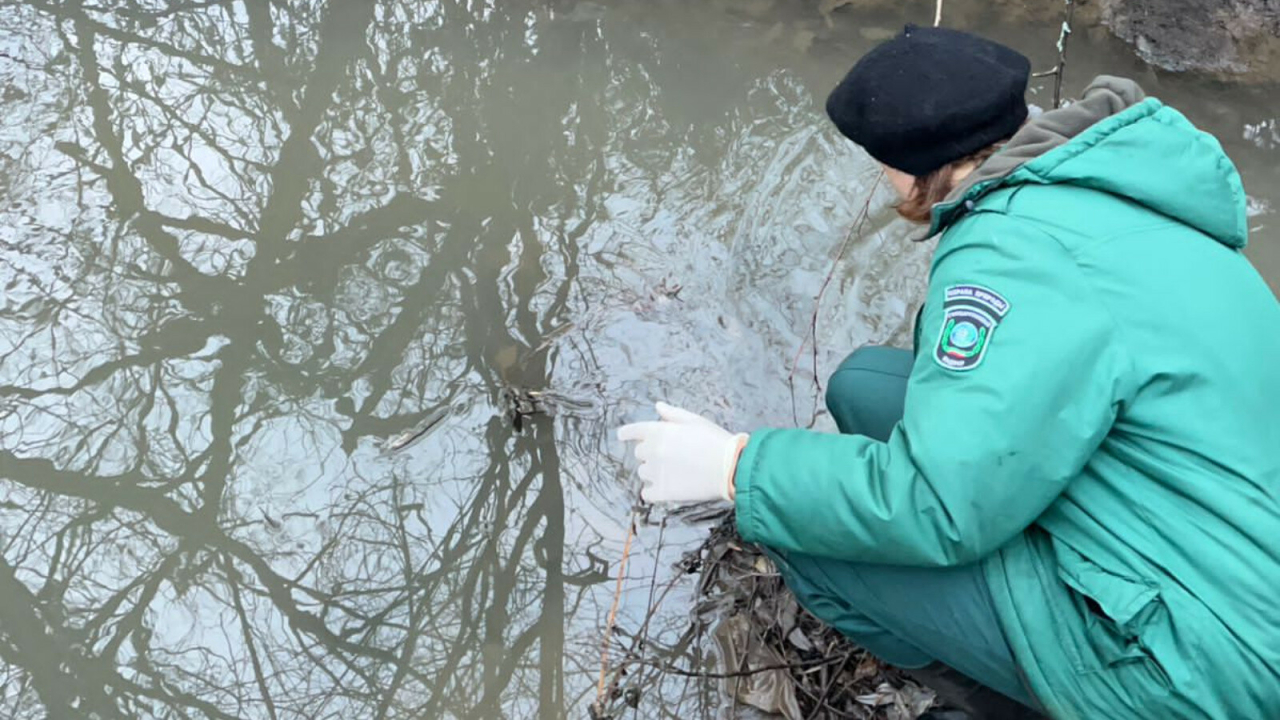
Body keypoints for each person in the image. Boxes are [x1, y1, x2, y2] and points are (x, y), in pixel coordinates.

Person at [617, 26, 1280, 720]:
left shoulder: (1007, 252)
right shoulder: (1113, 181)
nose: (884, 181)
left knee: (797, 537)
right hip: (1221, 549)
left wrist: (735, 467)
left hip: (1203, 665)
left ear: (922, 163)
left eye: (883, 165)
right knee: (864, 384)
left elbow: (937, 507)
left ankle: (1019, 701)